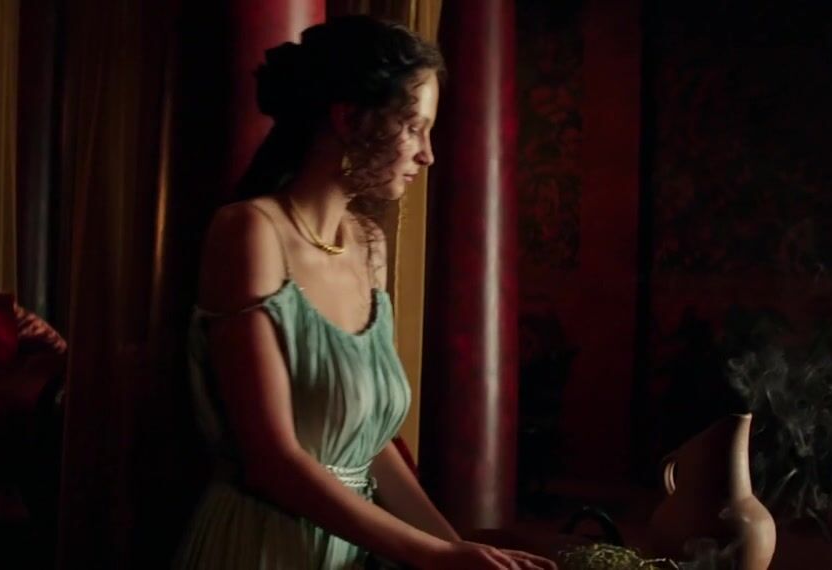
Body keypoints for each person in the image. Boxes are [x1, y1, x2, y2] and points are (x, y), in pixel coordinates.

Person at [174, 16, 556, 570]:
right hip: (263, 547)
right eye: (414, 128)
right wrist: (433, 557)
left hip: (350, 552)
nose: (427, 154)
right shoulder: (249, 232)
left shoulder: (368, 243)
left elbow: (372, 447)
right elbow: (271, 461)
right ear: (350, 119)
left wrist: (457, 549)